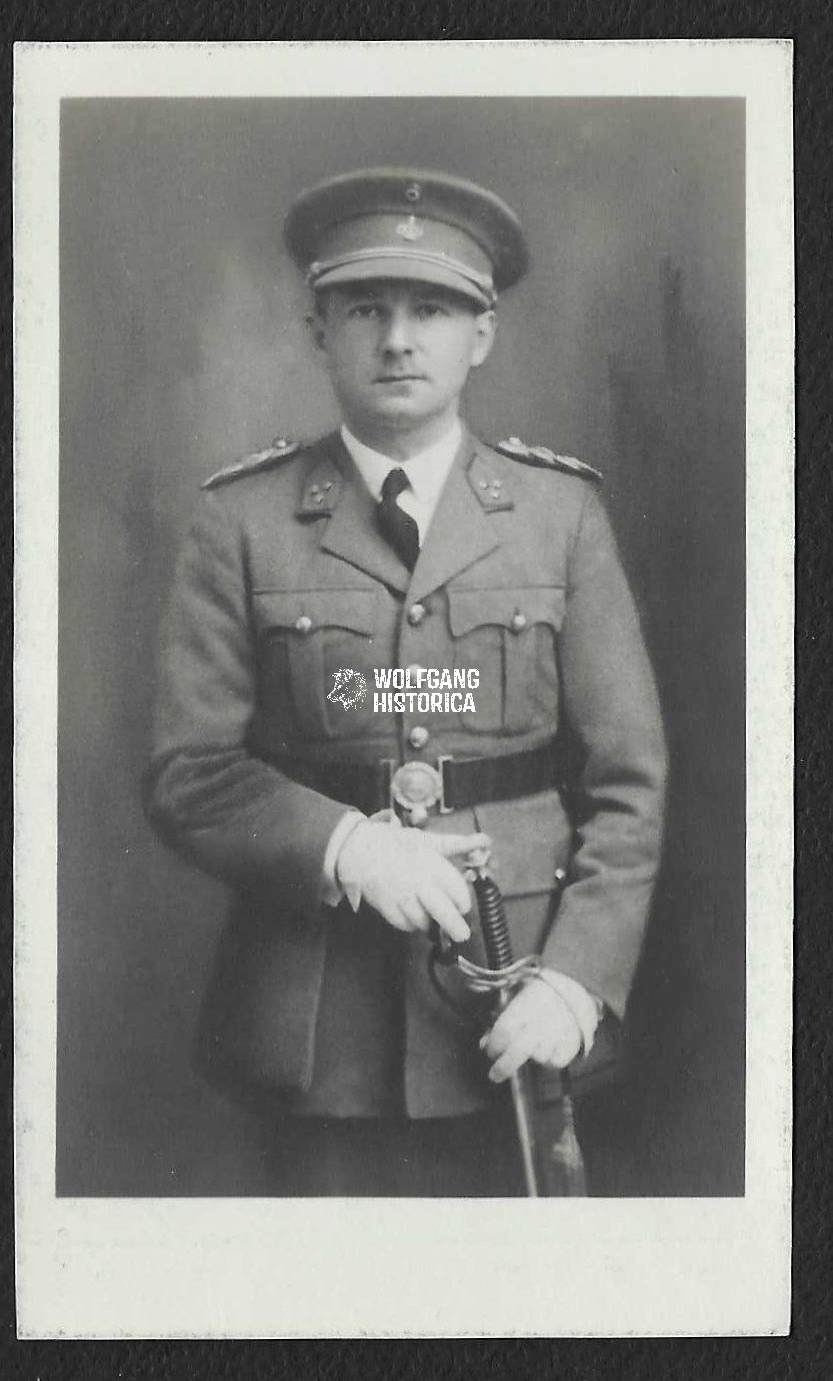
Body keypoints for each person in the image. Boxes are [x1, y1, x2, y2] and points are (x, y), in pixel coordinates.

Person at [144, 167, 668, 1196]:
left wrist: (574, 980)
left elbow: (628, 784)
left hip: (513, 1003)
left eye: (430, 309)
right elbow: (187, 771)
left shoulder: (559, 518)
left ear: (481, 333)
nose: (396, 339)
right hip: (314, 1033)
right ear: (318, 329)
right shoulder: (240, 522)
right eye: (364, 309)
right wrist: (346, 844)